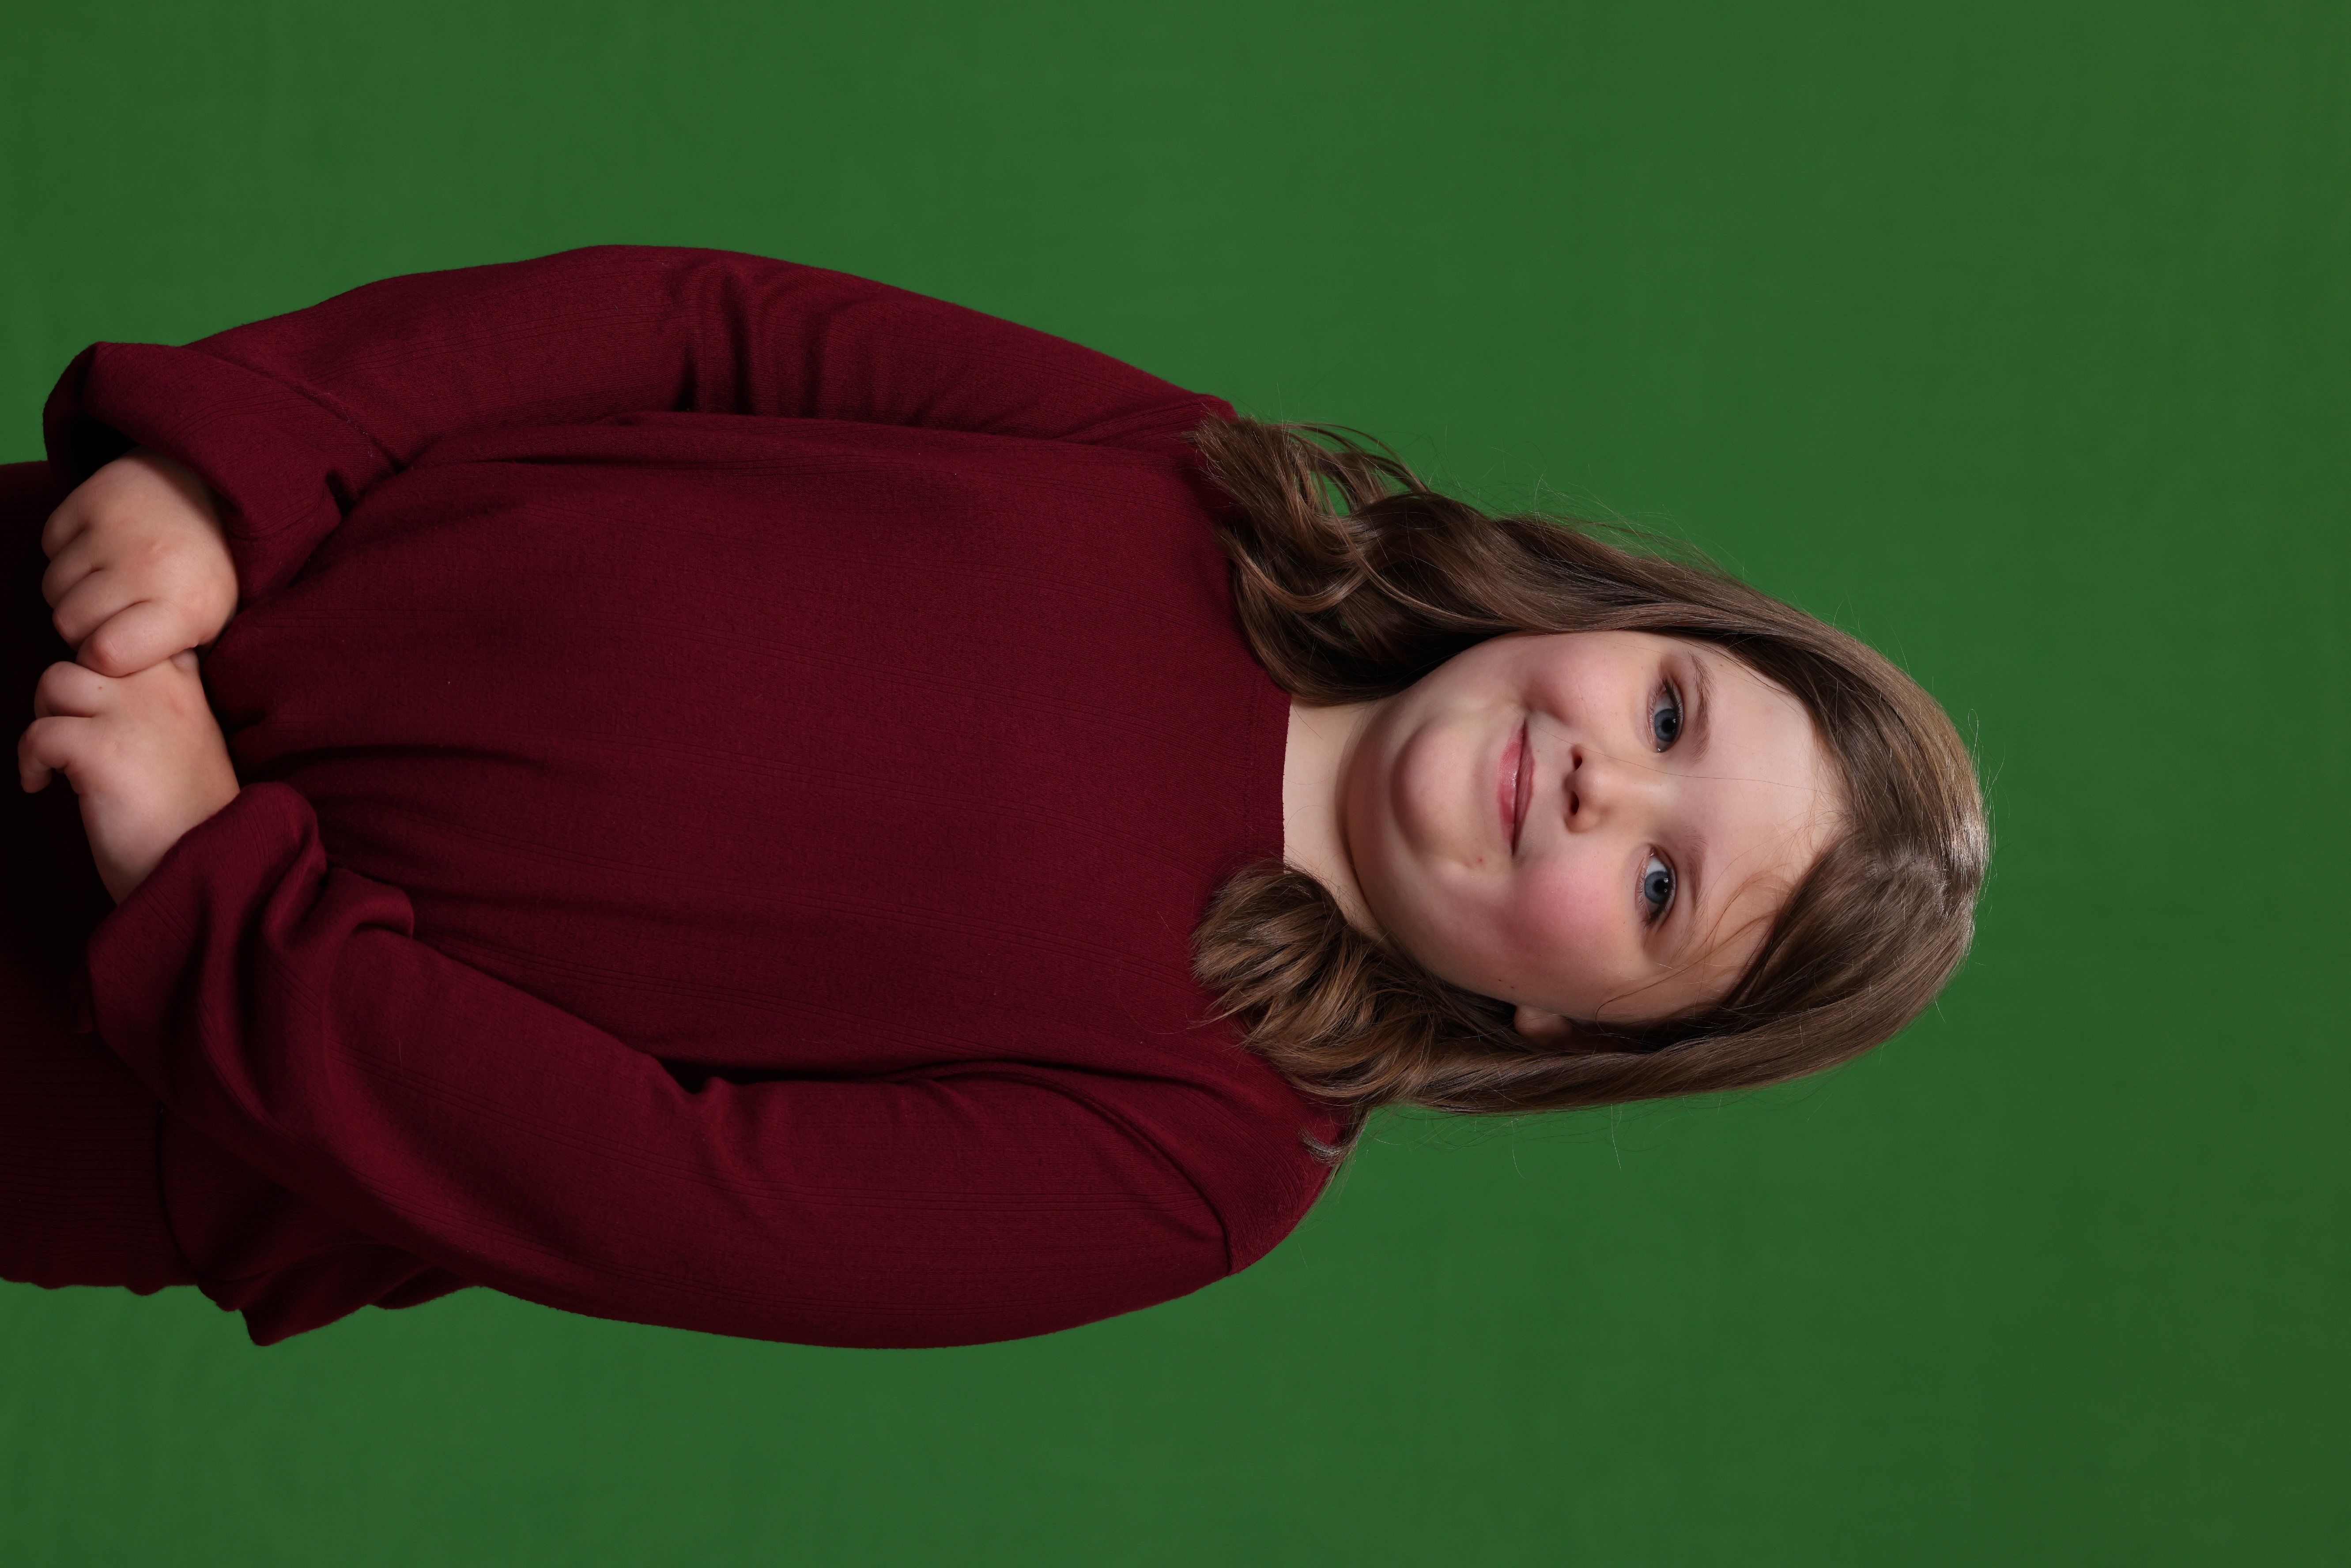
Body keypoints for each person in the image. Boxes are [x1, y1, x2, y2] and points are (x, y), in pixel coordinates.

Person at [0, 247, 1987, 1347]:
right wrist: (243, 466)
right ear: (1620, 615)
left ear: (1566, 1032)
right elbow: (702, 328)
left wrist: (203, 877)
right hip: (133, 591)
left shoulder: (1202, 1159)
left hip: (104, 1030)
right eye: (1669, 709)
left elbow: (649, 1194)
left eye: (1661, 889)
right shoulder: (1188, 475)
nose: (1604, 787)